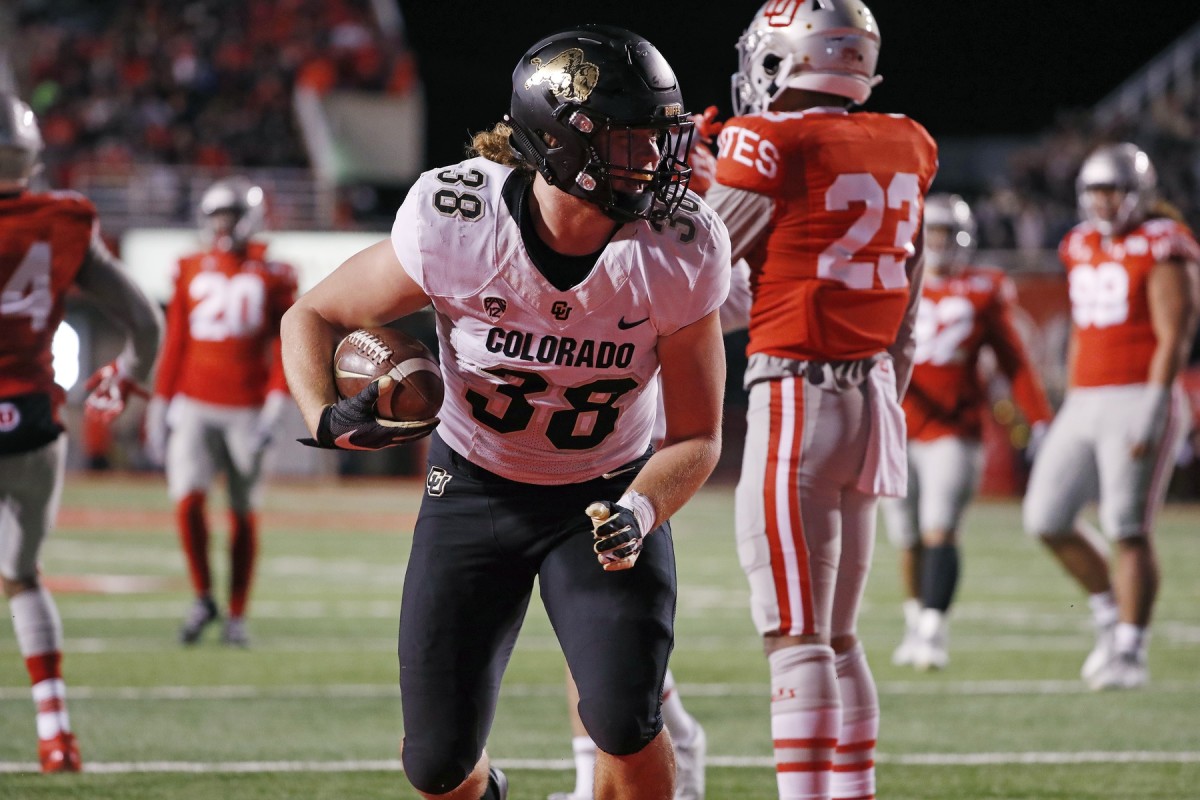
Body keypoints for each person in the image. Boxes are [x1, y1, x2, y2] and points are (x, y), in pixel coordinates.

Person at [280, 24, 730, 800]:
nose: (657, 160)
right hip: (475, 490)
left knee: (624, 719)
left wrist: (642, 509)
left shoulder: (679, 248)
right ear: (561, 146)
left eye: (660, 138)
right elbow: (310, 316)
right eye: (632, 140)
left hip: (605, 493)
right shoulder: (457, 220)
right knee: (436, 763)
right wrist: (324, 415)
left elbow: (697, 435)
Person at [704, 2, 938, 798]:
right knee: (838, 636)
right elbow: (907, 304)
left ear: (783, 58)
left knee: (796, 634)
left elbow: (693, 273)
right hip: (873, 395)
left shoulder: (766, 140)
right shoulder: (908, 139)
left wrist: (687, 186)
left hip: (798, 395)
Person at [546, 116, 753, 800]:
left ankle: (662, 743)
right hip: (586, 407)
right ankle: (618, 762)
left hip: (644, 418)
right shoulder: (587, 188)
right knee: (583, 618)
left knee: (603, 610)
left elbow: (734, 297)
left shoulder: (701, 206)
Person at [0, 93, 163, 772]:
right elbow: (144, 322)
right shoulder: (61, 219)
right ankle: (56, 733)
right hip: (32, 420)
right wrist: (129, 376)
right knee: (21, 574)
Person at [1023, 143, 1199, 691]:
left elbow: (1176, 334)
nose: (1104, 200)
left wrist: (1155, 405)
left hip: (1137, 394)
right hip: (1087, 398)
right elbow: (1081, 331)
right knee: (1045, 518)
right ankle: (1107, 610)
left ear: (1138, 193)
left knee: (1127, 525)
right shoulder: (1078, 244)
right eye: (1096, 190)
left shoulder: (1165, 243)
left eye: (1114, 189)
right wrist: (1066, 401)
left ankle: (1131, 648)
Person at [880, 194, 1053, 671]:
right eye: (930, 233)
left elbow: (1014, 360)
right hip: (897, 428)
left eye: (945, 234)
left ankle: (934, 629)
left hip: (956, 428)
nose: (937, 243)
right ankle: (916, 620)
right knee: (907, 536)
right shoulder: (892, 282)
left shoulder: (984, 287)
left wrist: (1039, 419)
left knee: (941, 529)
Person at [144, 176, 297, 647]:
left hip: (247, 408)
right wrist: (161, 401)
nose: (222, 224)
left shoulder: (274, 271)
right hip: (195, 403)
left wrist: (276, 401)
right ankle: (202, 597)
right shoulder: (189, 266)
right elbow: (176, 341)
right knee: (187, 499)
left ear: (249, 217)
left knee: (242, 513)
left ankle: (235, 615)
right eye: (216, 215)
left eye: (229, 214)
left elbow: (285, 342)